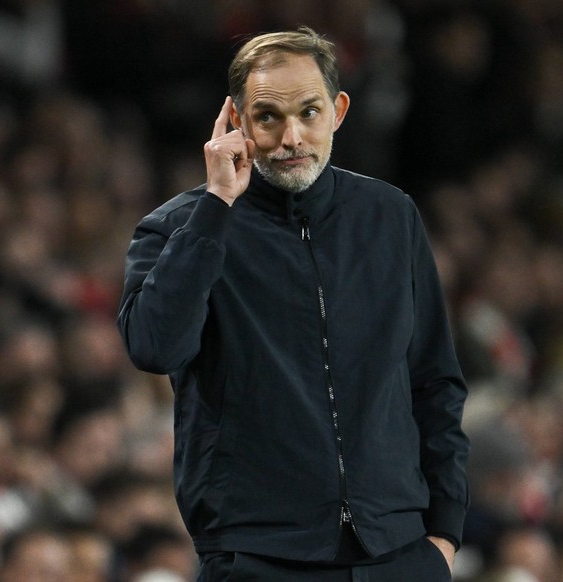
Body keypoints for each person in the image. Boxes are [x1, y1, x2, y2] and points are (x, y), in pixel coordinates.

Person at [117, 27, 469, 581]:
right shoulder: (179, 228)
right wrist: (215, 208)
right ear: (236, 121)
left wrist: (444, 535)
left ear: (338, 111)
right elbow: (155, 347)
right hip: (259, 556)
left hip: (399, 551)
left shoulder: (390, 215)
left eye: (309, 112)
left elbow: (434, 380)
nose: (292, 137)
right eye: (269, 117)